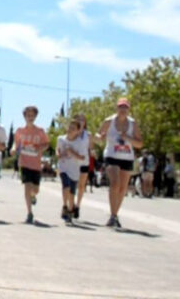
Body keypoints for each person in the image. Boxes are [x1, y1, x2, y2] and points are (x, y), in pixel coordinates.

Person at [96, 97, 143, 228]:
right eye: (121, 107)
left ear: (129, 109)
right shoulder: (108, 121)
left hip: (127, 157)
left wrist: (127, 138)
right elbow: (98, 136)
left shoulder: (133, 124)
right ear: (116, 108)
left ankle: (115, 215)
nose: (123, 110)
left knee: (122, 188)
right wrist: (101, 137)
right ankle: (112, 215)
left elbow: (139, 143)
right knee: (115, 183)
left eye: (125, 107)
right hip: (111, 155)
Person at [13, 105, 50, 224]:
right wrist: (13, 150)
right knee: (27, 187)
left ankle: (33, 195)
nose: (30, 117)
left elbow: (46, 144)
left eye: (32, 115)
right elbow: (16, 144)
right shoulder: (20, 131)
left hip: (36, 165)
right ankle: (29, 213)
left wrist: (40, 148)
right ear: (24, 117)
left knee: (35, 190)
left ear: (35, 117)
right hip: (24, 163)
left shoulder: (40, 131)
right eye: (28, 115)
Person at [57, 118, 89, 223]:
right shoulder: (61, 139)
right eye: (69, 127)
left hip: (74, 170)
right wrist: (59, 154)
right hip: (63, 168)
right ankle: (64, 206)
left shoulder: (80, 143)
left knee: (72, 193)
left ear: (78, 131)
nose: (70, 130)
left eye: (73, 129)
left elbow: (82, 157)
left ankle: (70, 210)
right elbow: (58, 151)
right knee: (65, 186)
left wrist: (72, 152)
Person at [73, 113, 92, 218]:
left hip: (84, 162)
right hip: (72, 163)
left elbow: (91, 146)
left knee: (81, 186)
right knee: (72, 185)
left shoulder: (88, 135)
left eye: (82, 120)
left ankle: (77, 206)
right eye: (78, 119)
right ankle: (70, 204)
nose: (80, 122)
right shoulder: (72, 133)